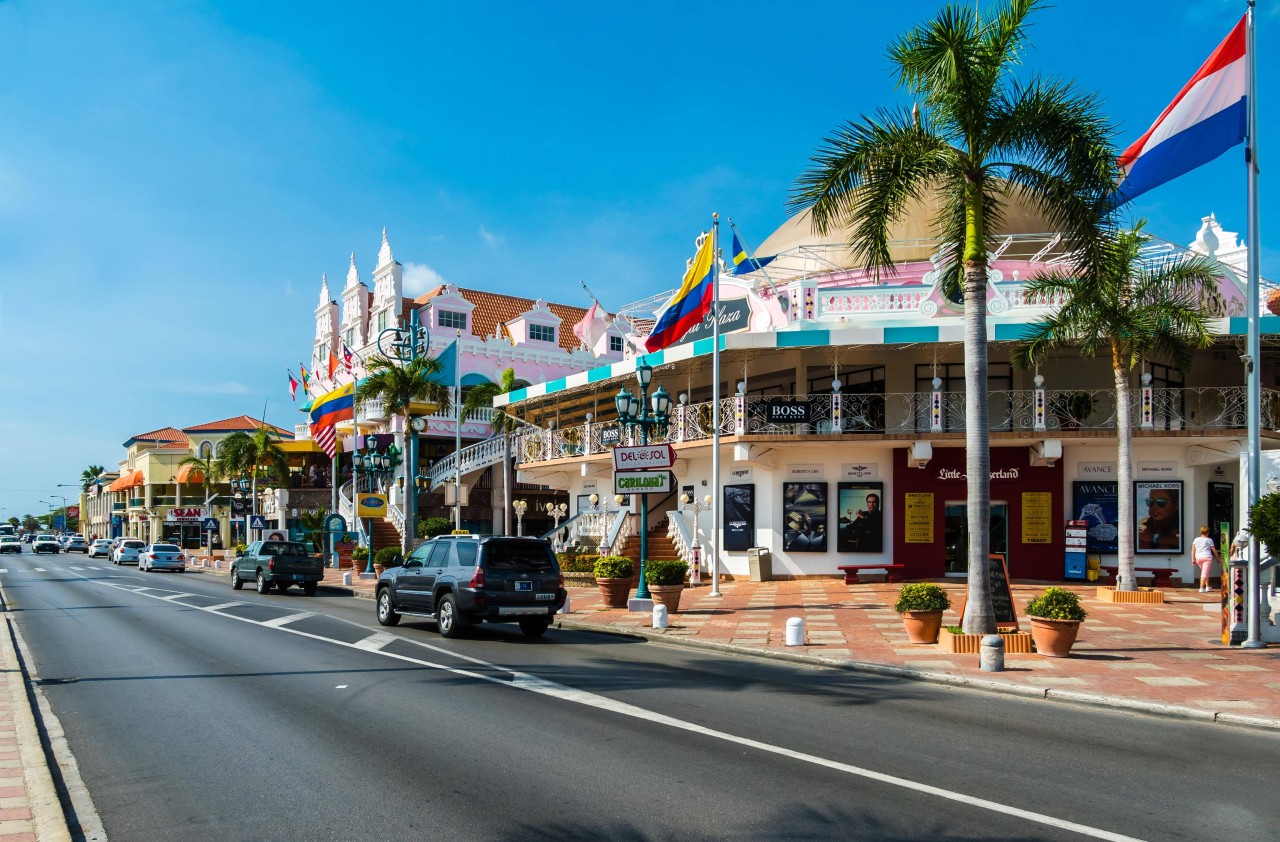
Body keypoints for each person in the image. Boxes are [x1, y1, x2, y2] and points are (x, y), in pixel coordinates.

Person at [1191, 525, 1220, 592]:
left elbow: (1193, 550)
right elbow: (1214, 550)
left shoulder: (1196, 539)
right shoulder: (1209, 540)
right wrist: (1218, 558)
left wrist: (1193, 559)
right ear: (1208, 532)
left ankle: (1207, 586)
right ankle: (1201, 587)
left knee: (1205, 572)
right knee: (1204, 572)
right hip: (1207, 557)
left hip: (1198, 557)